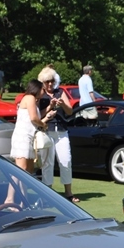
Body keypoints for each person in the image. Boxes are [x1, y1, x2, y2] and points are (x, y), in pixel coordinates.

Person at [36, 67, 78, 202]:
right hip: (46, 131)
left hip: (61, 131)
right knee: (47, 164)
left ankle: (69, 193)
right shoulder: (40, 95)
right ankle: (48, 193)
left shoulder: (60, 92)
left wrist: (62, 105)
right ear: (42, 82)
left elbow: (70, 111)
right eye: (47, 81)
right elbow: (37, 115)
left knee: (66, 160)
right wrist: (50, 106)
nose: (50, 84)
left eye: (52, 81)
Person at [10, 80, 50, 173]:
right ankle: (12, 188)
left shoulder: (33, 100)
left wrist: (49, 112)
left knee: (29, 170)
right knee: (21, 169)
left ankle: (22, 188)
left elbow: (36, 117)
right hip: (22, 137)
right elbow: (34, 118)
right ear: (37, 89)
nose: (44, 92)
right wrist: (44, 125)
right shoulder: (30, 97)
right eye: (43, 89)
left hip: (30, 137)